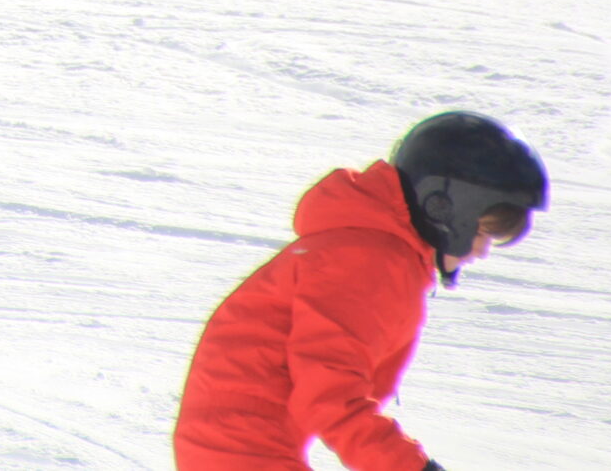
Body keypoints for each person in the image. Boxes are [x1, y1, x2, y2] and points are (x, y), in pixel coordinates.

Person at [174, 111, 548, 471]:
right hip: (239, 452)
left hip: (234, 448)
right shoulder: (368, 263)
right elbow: (332, 399)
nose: (482, 252)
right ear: (444, 208)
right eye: (482, 233)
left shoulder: (372, 250)